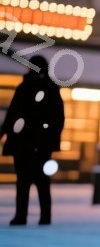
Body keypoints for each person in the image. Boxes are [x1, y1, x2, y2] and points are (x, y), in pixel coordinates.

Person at [5, 66, 64, 226]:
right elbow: (58, 119)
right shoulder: (50, 89)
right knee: (40, 183)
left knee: (24, 183)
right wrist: (50, 139)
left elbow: (13, 113)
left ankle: (22, 216)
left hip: (24, 145)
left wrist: (7, 132)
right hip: (39, 146)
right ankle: (44, 217)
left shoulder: (25, 88)